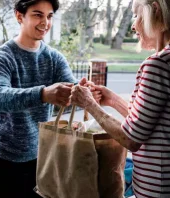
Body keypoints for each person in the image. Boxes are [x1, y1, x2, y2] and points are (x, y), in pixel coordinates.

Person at [0, 0, 84, 197]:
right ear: (19, 16)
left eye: (49, 16)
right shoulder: (2, 57)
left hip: (44, 154)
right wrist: (43, 94)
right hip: (6, 157)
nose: (45, 23)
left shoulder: (54, 58)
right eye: (38, 15)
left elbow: (70, 89)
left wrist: (82, 92)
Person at [70, 0, 170, 197]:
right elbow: (147, 125)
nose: (133, 25)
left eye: (135, 15)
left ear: (155, 10)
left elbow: (132, 139)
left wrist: (89, 104)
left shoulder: (157, 65)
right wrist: (113, 100)